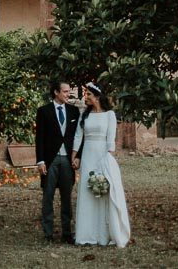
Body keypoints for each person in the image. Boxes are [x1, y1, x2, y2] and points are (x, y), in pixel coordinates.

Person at [72, 82, 131, 247]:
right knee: (87, 191)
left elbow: (110, 139)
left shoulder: (109, 115)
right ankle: (85, 234)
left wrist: (108, 159)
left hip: (102, 155)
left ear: (97, 96)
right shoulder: (84, 114)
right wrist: (74, 156)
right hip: (88, 155)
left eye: (89, 94)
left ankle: (103, 234)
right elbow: (78, 136)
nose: (86, 97)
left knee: (103, 191)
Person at [34, 79, 81, 244]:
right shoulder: (44, 111)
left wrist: (78, 157)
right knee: (48, 196)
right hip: (50, 159)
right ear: (56, 92)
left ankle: (67, 234)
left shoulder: (74, 111)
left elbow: (78, 137)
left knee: (67, 197)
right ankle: (48, 234)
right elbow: (39, 138)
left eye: (69, 91)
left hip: (68, 160)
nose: (68, 94)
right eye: (66, 91)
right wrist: (40, 160)